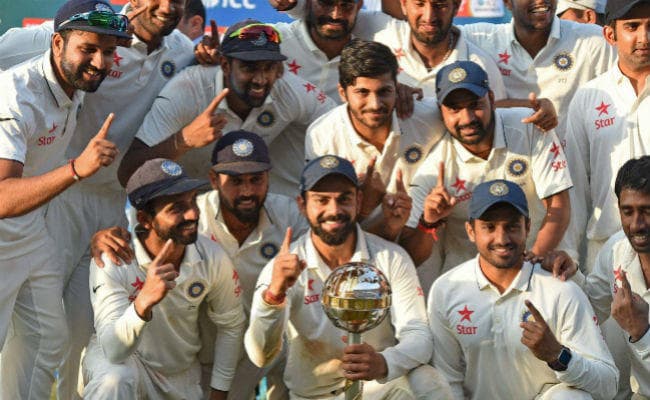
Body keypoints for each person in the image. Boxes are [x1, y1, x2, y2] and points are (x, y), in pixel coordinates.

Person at [0, 0, 129, 397]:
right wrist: (77, 169)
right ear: (57, 43)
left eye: (108, 52)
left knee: (46, 340)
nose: (99, 62)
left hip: (29, 234)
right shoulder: (16, 95)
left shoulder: (72, 82)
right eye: (88, 49)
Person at [245, 155, 439, 399]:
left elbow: (418, 334)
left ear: (359, 201)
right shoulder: (283, 268)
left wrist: (384, 362)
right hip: (314, 395)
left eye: (344, 199)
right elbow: (260, 356)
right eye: (321, 200)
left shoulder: (391, 257)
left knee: (428, 381)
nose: (334, 210)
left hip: (378, 387)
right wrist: (274, 295)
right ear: (302, 205)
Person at [428, 179, 618, 400]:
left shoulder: (561, 291)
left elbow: (608, 385)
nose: (502, 239)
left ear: (527, 227)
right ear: (471, 231)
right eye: (489, 227)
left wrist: (558, 356)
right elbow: (447, 381)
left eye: (511, 226)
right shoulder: (446, 290)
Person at [82, 158, 245, 400]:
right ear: (144, 219)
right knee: (114, 381)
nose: (192, 214)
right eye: (176, 208)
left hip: (181, 374)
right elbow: (114, 351)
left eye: (192, 201)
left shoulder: (211, 255)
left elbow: (231, 326)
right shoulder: (114, 259)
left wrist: (219, 395)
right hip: (129, 363)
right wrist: (143, 303)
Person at [118, 19, 336, 197]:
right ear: (225, 65)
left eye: (268, 67)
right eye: (249, 68)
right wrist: (183, 140)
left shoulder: (288, 88)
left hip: (238, 199)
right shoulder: (189, 89)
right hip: (180, 200)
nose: (260, 80)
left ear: (279, 69)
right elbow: (127, 172)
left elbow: (339, 123)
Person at [399, 61, 572, 280]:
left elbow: (558, 205)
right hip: (469, 286)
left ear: (491, 99)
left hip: (539, 268)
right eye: (454, 109)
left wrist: (532, 263)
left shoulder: (529, 126)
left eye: (475, 105)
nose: (467, 118)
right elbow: (410, 255)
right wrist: (429, 222)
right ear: (440, 112)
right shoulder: (434, 170)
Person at [565, 0, 650, 272]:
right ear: (610, 35)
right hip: (607, 252)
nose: (644, 37)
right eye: (632, 27)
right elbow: (575, 185)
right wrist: (568, 252)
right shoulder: (587, 98)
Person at [555, 156, 650, 398]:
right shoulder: (617, 248)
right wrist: (572, 275)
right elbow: (592, 310)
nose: (637, 225)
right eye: (628, 211)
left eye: (647, 211)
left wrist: (641, 332)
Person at [459, 0, 616, 138]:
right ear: (507, 2)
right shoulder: (483, 39)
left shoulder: (594, 40)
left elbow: (623, 100)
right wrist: (525, 107)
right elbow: (444, 31)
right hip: (510, 160)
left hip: (578, 162)